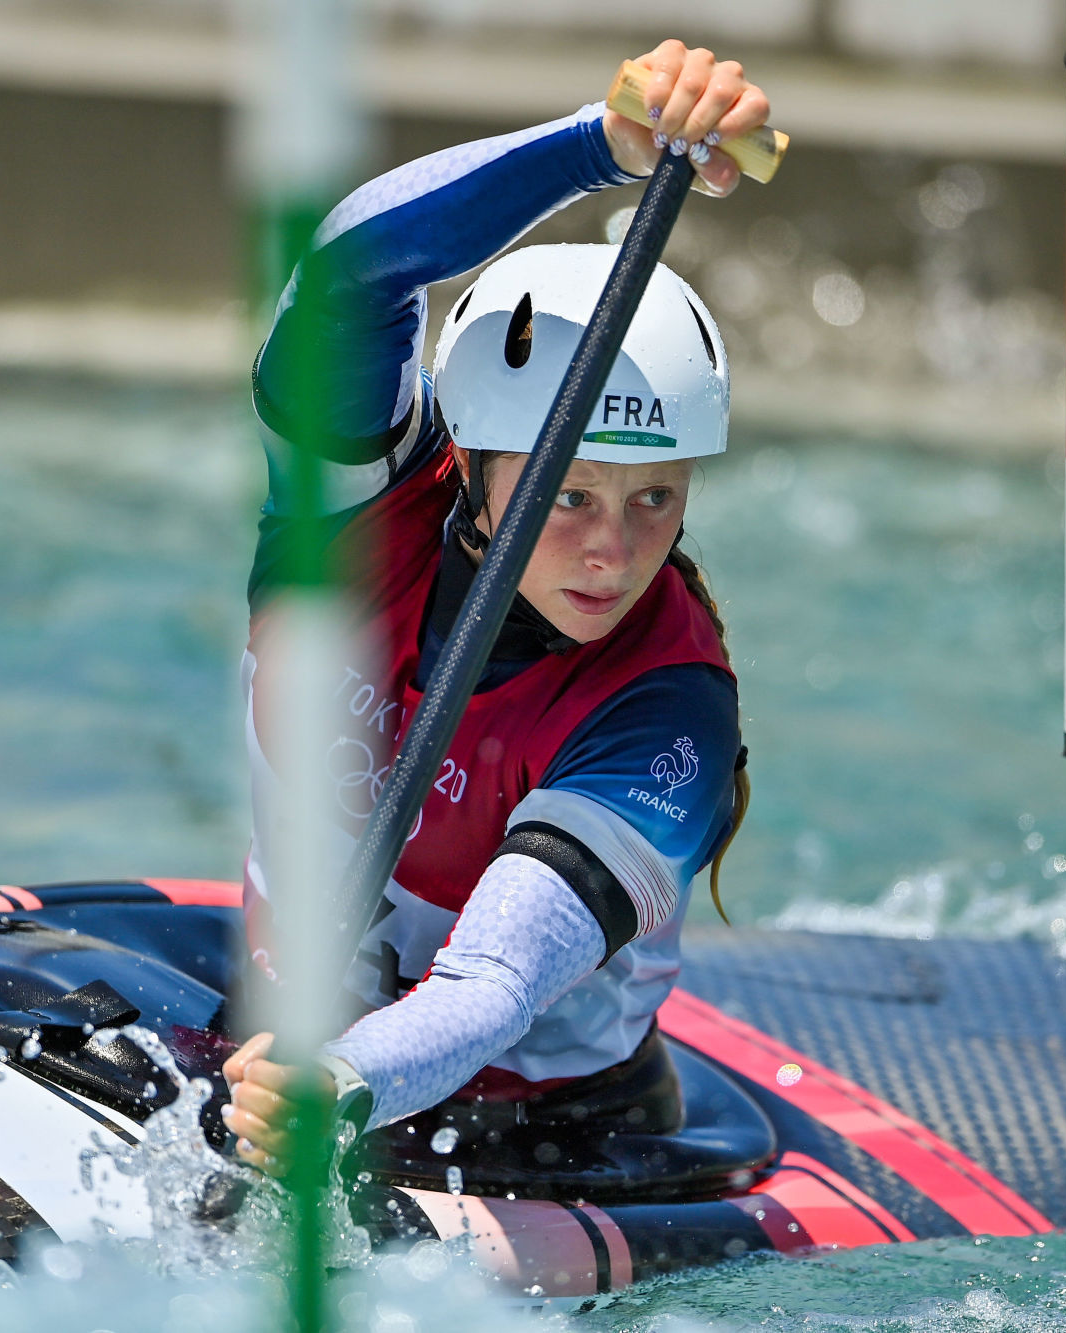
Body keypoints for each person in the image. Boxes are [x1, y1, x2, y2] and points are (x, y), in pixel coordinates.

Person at [222, 40, 771, 1175]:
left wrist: (338, 1086)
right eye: (567, 494)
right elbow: (348, 275)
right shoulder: (352, 515)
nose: (611, 553)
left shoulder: (667, 712)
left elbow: (490, 987)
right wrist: (595, 147)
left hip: (534, 1130)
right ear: (469, 457)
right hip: (269, 1035)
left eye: (655, 498)